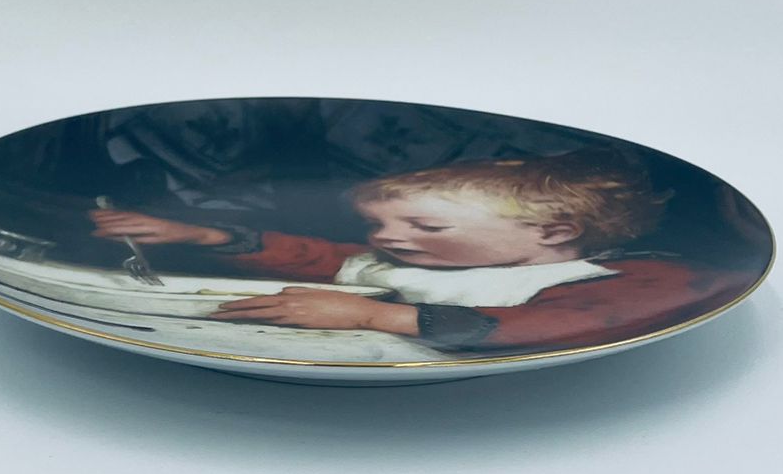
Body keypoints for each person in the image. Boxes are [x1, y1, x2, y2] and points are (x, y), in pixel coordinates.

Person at [88, 151, 741, 353]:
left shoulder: (634, 279)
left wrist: (372, 315)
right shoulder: (418, 263)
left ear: (554, 232)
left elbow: (560, 325)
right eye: (378, 224)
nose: (390, 239)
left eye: (426, 225)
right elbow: (324, 258)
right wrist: (199, 236)